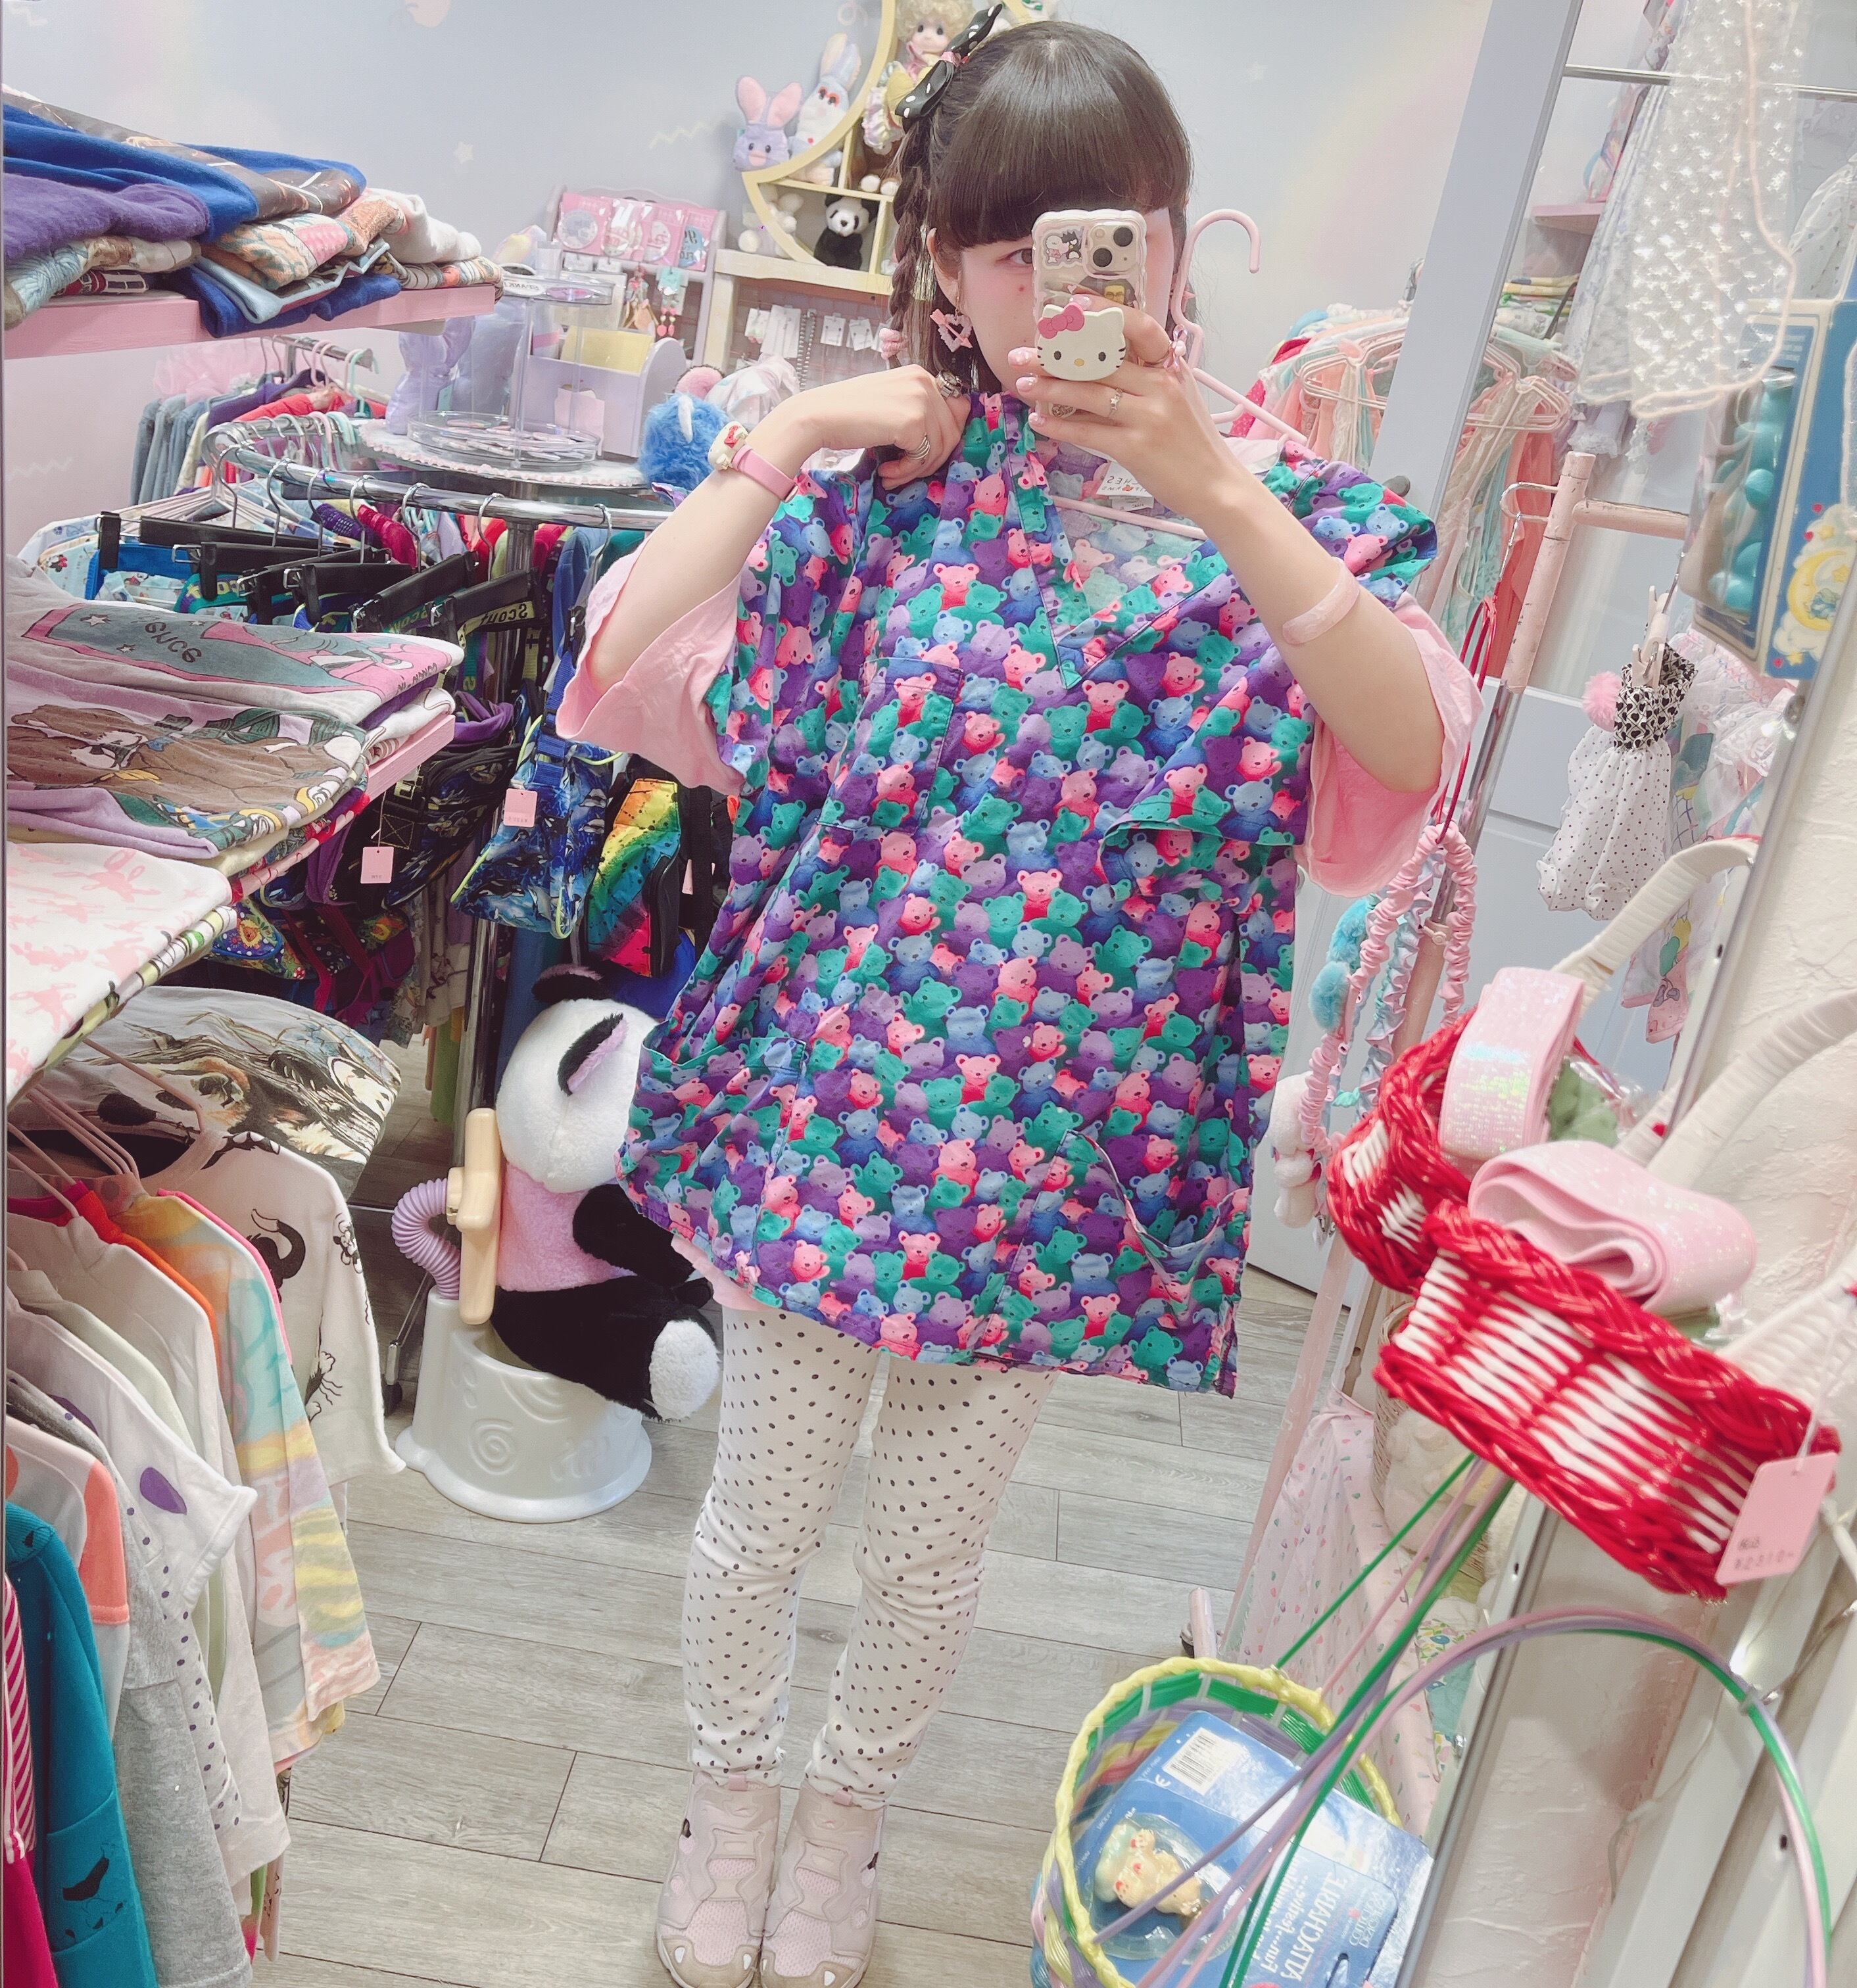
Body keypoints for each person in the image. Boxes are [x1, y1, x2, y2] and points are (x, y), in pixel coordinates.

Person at [558, 19, 1478, 1987]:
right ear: (951, 270)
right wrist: (799, 429)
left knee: (926, 1550)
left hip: (1065, 1161)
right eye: (1011, 245)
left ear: (1173, 239)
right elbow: (623, 653)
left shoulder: (1275, 516)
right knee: (763, 1514)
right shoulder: (881, 500)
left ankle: (846, 1835)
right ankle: (730, 1810)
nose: (1063, 282)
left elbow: (1409, 753)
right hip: (826, 1114)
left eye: (1110, 229)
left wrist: (1213, 488)